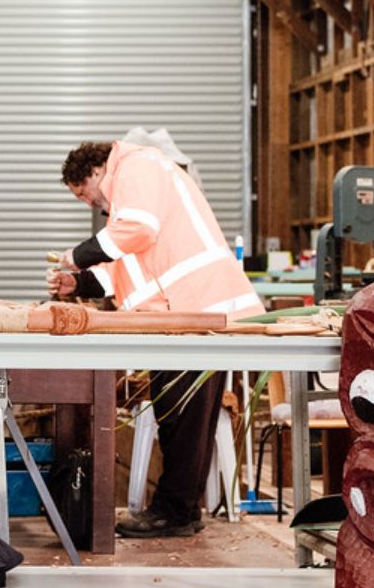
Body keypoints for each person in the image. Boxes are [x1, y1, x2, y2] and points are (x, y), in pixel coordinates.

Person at [46, 139, 261, 538]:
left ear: (95, 173)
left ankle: (174, 512)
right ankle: (181, 509)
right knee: (183, 417)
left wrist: (76, 254)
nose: (88, 203)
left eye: (83, 193)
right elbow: (125, 268)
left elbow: (137, 233)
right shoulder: (132, 195)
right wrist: (75, 282)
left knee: (183, 418)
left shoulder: (135, 168)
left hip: (196, 309)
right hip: (183, 313)